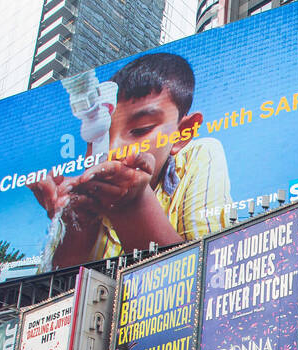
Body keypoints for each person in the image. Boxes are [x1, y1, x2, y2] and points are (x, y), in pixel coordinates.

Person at [33, 52, 232, 269]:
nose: (113, 150)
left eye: (140, 130)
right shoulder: (82, 196)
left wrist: (134, 206)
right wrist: (75, 227)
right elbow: (54, 293)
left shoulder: (200, 154)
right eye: (100, 138)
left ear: (182, 133)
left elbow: (211, 270)